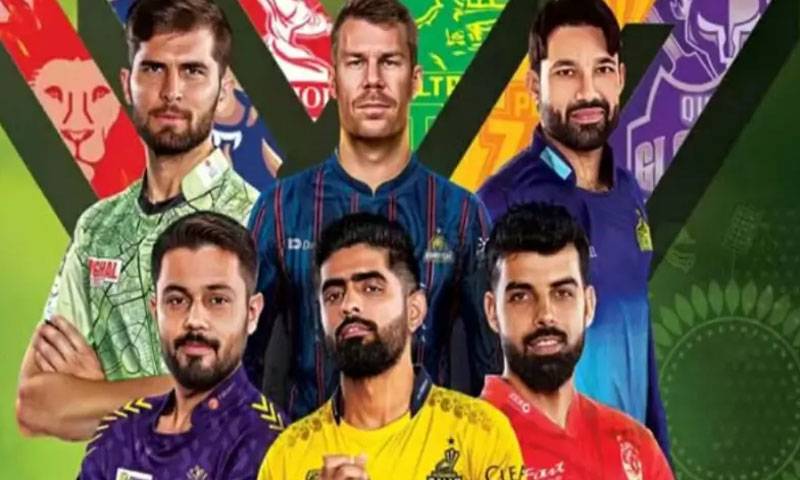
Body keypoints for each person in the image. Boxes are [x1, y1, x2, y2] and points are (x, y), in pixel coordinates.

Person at [16, 0, 258, 441]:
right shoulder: (98, 228)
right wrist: (182, 394)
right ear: (128, 83)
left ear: (224, 90)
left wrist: (96, 393)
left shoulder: (259, 221)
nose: (171, 91)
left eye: (192, 71)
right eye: (153, 69)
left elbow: (254, 403)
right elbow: (35, 405)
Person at [246, 0, 497, 419]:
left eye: (389, 62)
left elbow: (488, 367)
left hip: (428, 447)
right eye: (356, 62)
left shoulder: (462, 214)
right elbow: (242, 358)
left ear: (415, 80)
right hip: (308, 446)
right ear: (332, 80)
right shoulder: (279, 209)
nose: (373, 80)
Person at [476, 0, 669, 452]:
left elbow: (639, 344)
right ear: (534, 86)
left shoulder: (629, 194)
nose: (587, 92)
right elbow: (474, 363)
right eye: (566, 72)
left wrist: (659, 456)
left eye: (601, 70)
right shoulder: (498, 202)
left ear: (620, 78)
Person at [259, 213, 522, 479]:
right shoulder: (286, 456)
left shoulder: (482, 432)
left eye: (371, 288)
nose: (349, 305)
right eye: (334, 295)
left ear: (415, 310)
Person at [78, 212, 286, 479]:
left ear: (252, 314)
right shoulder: (120, 432)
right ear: (155, 312)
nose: (195, 320)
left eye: (217, 300)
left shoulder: (269, 444)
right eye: (177, 301)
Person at [481, 202, 673, 479]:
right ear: (492, 311)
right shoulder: (464, 442)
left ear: (589, 305)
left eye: (562, 293)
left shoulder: (635, 444)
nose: (545, 315)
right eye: (521, 297)